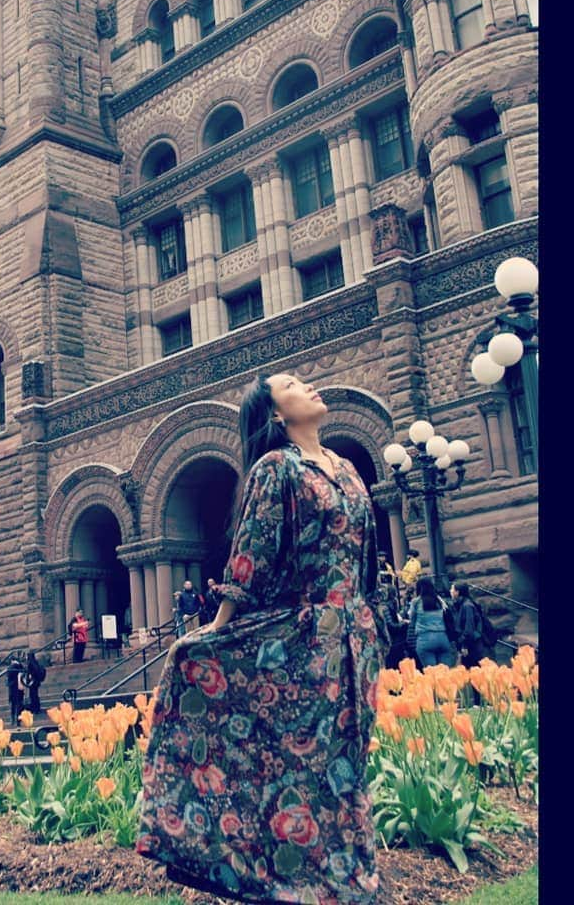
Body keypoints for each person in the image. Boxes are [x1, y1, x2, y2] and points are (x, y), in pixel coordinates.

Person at [137, 373, 388, 903]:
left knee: (347, 761)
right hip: (307, 645)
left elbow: (364, 557)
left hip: (356, 641)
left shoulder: (344, 467)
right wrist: (217, 629)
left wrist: (373, 624)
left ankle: (349, 874)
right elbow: (253, 552)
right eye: (294, 385)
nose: (311, 386)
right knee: (309, 767)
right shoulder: (276, 468)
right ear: (277, 415)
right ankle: (300, 878)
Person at [407, 577, 456, 667]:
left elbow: (412, 621)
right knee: (444, 674)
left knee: (431, 674)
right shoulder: (439, 601)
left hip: (425, 639)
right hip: (442, 638)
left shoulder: (416, 602)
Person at [450, 582, 489, 667]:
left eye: (452, 589)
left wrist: (464, 646)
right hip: (471, 644)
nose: (450, 591)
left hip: (472, 646)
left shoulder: (467, 606)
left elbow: (469, 628)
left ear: (458, 592)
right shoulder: (462, 605)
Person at [22, 650, 47, 714]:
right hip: (36, 682)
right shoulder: (35, 662)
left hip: (32, 682)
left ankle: (35, 708)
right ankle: (37, 707)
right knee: (35, 695)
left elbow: (30, 672)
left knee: (33, 695)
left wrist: (30, 677)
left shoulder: (30, 663)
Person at [5, 655, 25, 725]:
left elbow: (7, 680)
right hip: (19, 688)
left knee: (13, 705)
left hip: (12, 689)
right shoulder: (20, 667)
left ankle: (13, 719)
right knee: (19, 704)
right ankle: (18, 720)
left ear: (11, 661)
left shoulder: (10, 668)